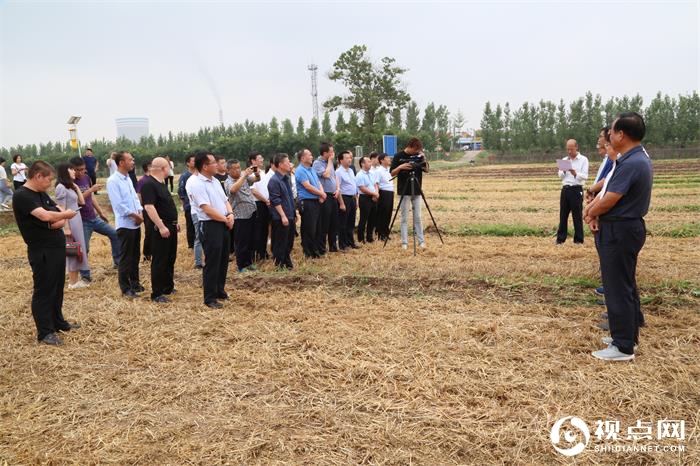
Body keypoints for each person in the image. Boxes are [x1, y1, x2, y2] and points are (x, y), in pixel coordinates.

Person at [585, 112, 653, 362]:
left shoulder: (632, 163)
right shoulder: (635, 158)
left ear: (622, 135)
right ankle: (625, 336)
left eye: (612, 132)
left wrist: (590, 211)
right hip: (624, 229)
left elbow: (610, 199)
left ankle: (623, 346)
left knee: (617, 288)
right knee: (624, 285)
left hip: (620, 230)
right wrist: (593, 211)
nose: (608, 136)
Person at [12, 161, 80, 345]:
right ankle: (45, 332)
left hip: (55, 247)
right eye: (48, 179)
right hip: (41, 250)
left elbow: (56, 212)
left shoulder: (40, 194)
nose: (50, 183)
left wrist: (56, 218)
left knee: (57, 287)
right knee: (44, 290)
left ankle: (57, 322)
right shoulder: (22, 196)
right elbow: (47, 216)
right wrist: (61, 217)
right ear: (38, 176)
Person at [189, 151, 234, 309]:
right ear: (205, 166)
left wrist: (230, 214)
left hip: (223, 222)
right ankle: (209, 297)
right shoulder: (195, 183)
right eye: (214, 162)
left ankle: (219, 290)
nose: (217, 165)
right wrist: (225, 219)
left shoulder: (214, 180)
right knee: (213, 261)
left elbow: (225, 200)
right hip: (210, 225)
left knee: (223, 259)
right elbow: (206, 208)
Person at [69, 157, 119, 281]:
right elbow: (76, 200)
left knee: (115, 234)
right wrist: (91, 190)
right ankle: (85, 276)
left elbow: (91, 197)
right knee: (83, 248)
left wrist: (100, 212)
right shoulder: (69, 184)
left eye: (83, 169)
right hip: (82, 221)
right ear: (71, 169)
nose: (81, 172)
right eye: (78, 170)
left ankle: (118, 263)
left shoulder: (86, 178)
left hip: (93, 218)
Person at [106, 151, 144, 298]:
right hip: (125, 224)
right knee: (126, 257)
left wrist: (140, 213)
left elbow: (134, 198)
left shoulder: (128, 178)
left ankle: (135, 283)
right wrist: (135, 215)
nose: (133, 162)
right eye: (130, 160)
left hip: (135, 222)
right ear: (121, 162)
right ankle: (125, 288)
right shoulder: (113, 181)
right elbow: (119, 205)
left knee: (135, 255)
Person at [141, 157, 179, 303]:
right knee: (160, 260)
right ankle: (156, 293)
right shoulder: (149, 185)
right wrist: (162, 226)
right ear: (163, 168)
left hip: (171, 226)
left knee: (170, 257)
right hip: (160, 228)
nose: (170, 170)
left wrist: (175, 222)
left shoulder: (161, 184)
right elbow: (149, 207)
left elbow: (166, 205)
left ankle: (167, 287)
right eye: (169, 167)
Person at [585, 127, 615, 298]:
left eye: (601, 137)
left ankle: (610, 287)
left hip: (603, 207)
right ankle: (608, 283)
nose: (599, 140)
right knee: (603, 249)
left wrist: (591, 209)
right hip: (596, 200)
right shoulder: (607, 158)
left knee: (608, 250)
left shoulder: (616, 160)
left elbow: (607, 182)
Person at [55, 163, 91, 289]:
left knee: (77, 249)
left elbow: (81, 202)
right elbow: (62, 209)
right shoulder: (60, 187)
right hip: (70, 222)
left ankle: (75, 280)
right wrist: (66, 227)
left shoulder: (70, 187)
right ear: (65, 171)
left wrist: (75, 187)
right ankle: (72, 282)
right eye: (71, 169)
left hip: (77, 219)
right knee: (72, 250)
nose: (74, 171)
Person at [390, 137, 429, 249]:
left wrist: (424, 158)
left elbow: (426, 170)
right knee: (404, 218)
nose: (417, 152)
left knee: (418, 217)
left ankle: (421, 241)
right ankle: (404, 243)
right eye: (416, 150)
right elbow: (392, 173)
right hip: (404, 191)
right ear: (410, 147)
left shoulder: (419, 156)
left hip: (417, 190)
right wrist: (400, 167)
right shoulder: (398, 156)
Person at [225, 159, 259, 272]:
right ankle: (241, 265)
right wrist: (244, 176)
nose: (238, 170)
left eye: (239, 167)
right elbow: (233, 190)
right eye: (234, 168)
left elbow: (256, 179)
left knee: (250, 240)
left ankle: (249, 263)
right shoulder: (228, 181)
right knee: (241, 242)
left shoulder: (244, 178)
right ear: (228, 170)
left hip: (251, 212)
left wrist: (257, 173)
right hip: (240, 215)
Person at [556, 139, 589, 245]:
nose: (569, 151)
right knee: (563, 215)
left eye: (571, 149)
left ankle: (578, 240)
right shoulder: (565, 160)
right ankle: (560, 239)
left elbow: (585, 176)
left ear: (576, 147)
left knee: (577, 215)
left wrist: (575, 173)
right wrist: (564, 170)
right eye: (568, 149)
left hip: (576, 189)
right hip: (565, 189)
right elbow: (560, 175)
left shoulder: (583, 160)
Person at [295, 148, 327, 258]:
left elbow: (318, 182)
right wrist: (321, 194)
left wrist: (322, 193)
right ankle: (308, 252)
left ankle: (315, 250)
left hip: (316, 200)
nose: (312, 156)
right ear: (303, 158)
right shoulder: (300, 170)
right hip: (307, 201)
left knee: (317, 227)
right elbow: (307, 186)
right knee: (309, 228)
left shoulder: (311, 169)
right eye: (309, 155)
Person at [267, 153, 296, 269]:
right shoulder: (274, 180)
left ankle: (286, 262)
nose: (290, 164)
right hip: (280, 217)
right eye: (287, 162)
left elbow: (289, 197)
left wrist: (293, 213)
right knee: (280, 242)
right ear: (280, 165)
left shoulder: (286, 178)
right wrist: (283, 216)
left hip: (289, 214)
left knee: (289, 242)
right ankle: (279, 265)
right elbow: (275, 200)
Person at [313, 142, 340, 253]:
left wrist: (338, 189)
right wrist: (329, 161)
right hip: (325, 195)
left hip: (333, 194)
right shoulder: (317, 163)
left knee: (334, 222)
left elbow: (334, 177)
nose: (333, 154)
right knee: (325, 222)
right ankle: (322, 247)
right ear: (325, 153)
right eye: (331, 152)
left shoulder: (330, 163)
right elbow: (326, 175)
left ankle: (333, 246)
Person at [250, 151, 272, 261]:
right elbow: (253, 191)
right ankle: (258, 254)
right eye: (260, 158)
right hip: (258, 204)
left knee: (264, 229)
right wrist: (265, 200)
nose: (262, 160)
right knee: (258, 230)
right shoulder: (250, 173)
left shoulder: (262, 172)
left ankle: (263, 252)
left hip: (265, 203)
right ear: (253, 161)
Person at [336, 150, 359, 250]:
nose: (350, 159)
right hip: (344, 198)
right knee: (343, 223)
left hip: (352, 198)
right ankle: (343, 244)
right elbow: (338, 188)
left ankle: (351, 242)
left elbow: (354, 185)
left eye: (350, 158)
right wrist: (341, 203)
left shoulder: (350, 170)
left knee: (351, 222)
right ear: (341, 160)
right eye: (347, 158)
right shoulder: (338, 172)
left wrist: (356, 199)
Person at [185, 162, 204, 270]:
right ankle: (198, 262)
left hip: (204, 213)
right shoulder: (192, 180)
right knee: (199, 237)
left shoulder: (203, 179)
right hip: (197, 213)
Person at [356, 156, 379, 243]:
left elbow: (376, 184)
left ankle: (369, 237)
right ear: (362, 164)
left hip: (373, 197)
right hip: (365, 198)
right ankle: (361, 238)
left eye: (370, 162)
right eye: (368, 162)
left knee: (372, 218)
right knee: (363, 218)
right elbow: (362, 188)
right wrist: (373, 193)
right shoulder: (359, 175)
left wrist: (376, 193)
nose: (370, 163)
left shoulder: (372, 173)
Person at [178, 154, 196, 250]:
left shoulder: (199, 174)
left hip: (199, 206)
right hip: (189, 205)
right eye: (193, 161)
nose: (195, 162)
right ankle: (191, 245)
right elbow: (181, 192)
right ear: (188, 163)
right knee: (190, 225)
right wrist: (185, 204)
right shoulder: (185, 176)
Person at [375, 153, 394, 241]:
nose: (389, 159)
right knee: (383, 213)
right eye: (387, 158)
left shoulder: (389, 170)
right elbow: (377, 183)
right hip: (383, 193)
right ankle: (381, 233)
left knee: (389, 213)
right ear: (382, 160)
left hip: (390, 193)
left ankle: (386, 232)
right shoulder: (378, 171)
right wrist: (377, 194)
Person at [136, 161, 153, 262]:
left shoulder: (155, 179)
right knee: (149, 231)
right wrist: (142, 207)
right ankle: (147, 255)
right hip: (147, 209)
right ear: (148, 167)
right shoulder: (142, 180)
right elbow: (138, 195)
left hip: (156, 209)